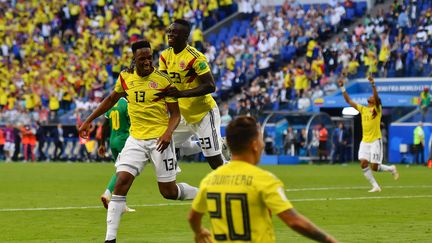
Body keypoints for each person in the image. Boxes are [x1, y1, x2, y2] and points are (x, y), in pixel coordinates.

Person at [78, 40, 198, 243]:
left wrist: (168, 133)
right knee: (121, 182)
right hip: (136, 139)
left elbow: (175, 114)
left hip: (160, 140)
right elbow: (110, 99)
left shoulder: (163, 80)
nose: (147, 61)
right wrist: (89, 120)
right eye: (142, 58)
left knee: (168, 192)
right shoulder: (125, 77)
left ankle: (205, 193)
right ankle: (110, 239)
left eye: (149, 57)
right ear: (134, 58)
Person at [188, 116, 338, 243]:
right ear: (254, 145)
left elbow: (193, 217)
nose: (263, 144)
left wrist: (199, 231)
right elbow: (294, 221)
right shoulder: (264, 180)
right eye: (261, 140)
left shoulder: (210, 180)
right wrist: (329, 240)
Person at [156, 19, 227, 169]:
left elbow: (210, 86)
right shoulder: (164, 56)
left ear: (185, 36)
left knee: (214, 162)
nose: (170, 34)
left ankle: (231, 177)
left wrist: (181, 94)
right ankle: (172, 186)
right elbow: (162, 81)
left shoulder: (195, 57)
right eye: (169, 31)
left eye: (174, 32)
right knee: (162, 144)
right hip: (182, 115)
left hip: (203, 114)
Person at [339, 76, 399, 192]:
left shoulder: (377, 110)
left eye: (372, 96)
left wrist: (373, 84)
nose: (370, 97)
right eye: (370, 96)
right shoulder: (363, 109)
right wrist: (342, 87)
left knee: (375, 167)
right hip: (365, 141)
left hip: (375, 140)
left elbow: (377, 97)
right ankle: (375, 186)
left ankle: (391, 168)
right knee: (363, 163)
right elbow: (348, 101)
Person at [98, 97, 135, 212]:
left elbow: (104, 125)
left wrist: (102, 144)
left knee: (122, 171)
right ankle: (108, 194)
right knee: (125, 172)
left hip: (112, 141)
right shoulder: (127, 104)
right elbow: (134, 123)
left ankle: (121, 203)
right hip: (124, 140)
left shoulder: (112, 103)